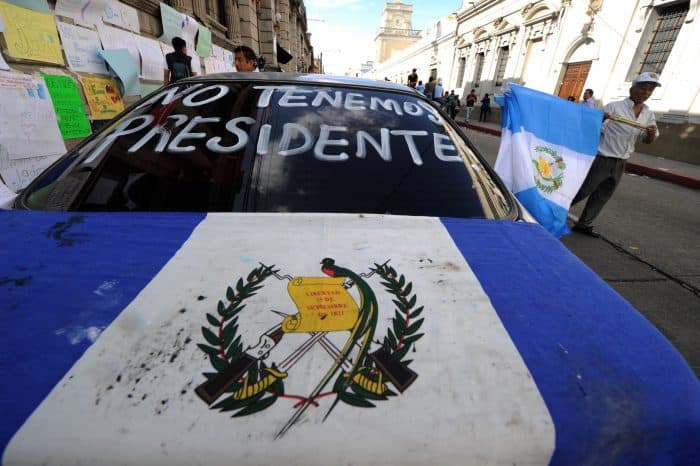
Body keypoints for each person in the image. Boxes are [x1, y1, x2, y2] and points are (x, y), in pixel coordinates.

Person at [571, 72, 661, 237]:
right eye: (642, 88)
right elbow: (592, 129)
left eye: (650, 90)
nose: (645, 93)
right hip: (602, 158)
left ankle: (584, 223)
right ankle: (552, 212)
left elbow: (648, 140)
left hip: (621, 161)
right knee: (583, 190)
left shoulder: (648, 114)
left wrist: (651, 133)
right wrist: (601, 119)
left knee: (603, 194)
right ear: (632, 89)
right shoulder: (614, 107)